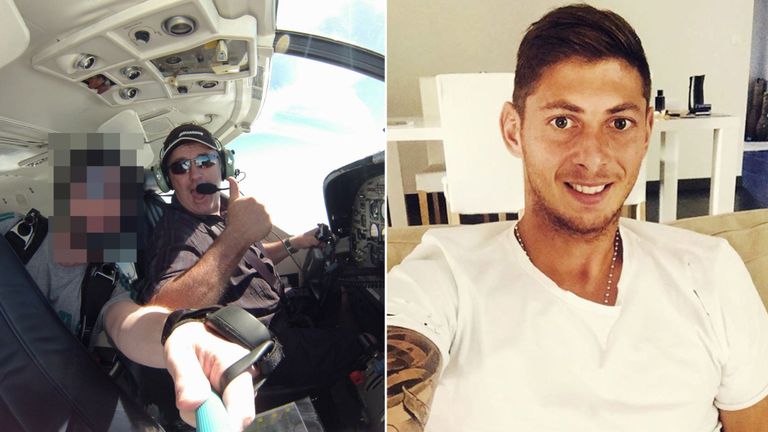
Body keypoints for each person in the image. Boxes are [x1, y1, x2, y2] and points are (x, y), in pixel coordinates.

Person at [386, 4, 768, 432]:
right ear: (513, 129)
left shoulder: (710, 272)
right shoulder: (444, 278)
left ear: (646, 131)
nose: (593, 156)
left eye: (619, 123)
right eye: (563, 121)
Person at [138, 123, 364, 398]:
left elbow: (247, 257)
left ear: (224, 165)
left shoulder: (222, 212)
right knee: (363, 340)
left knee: (335, 297)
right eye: (180, 166)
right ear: (168, 180)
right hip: (264, 347)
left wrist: (296, 242)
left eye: (205, 161)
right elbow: (162, 310)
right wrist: (236, 235)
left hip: (284, 313)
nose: (195, 174)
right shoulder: (174, 232)